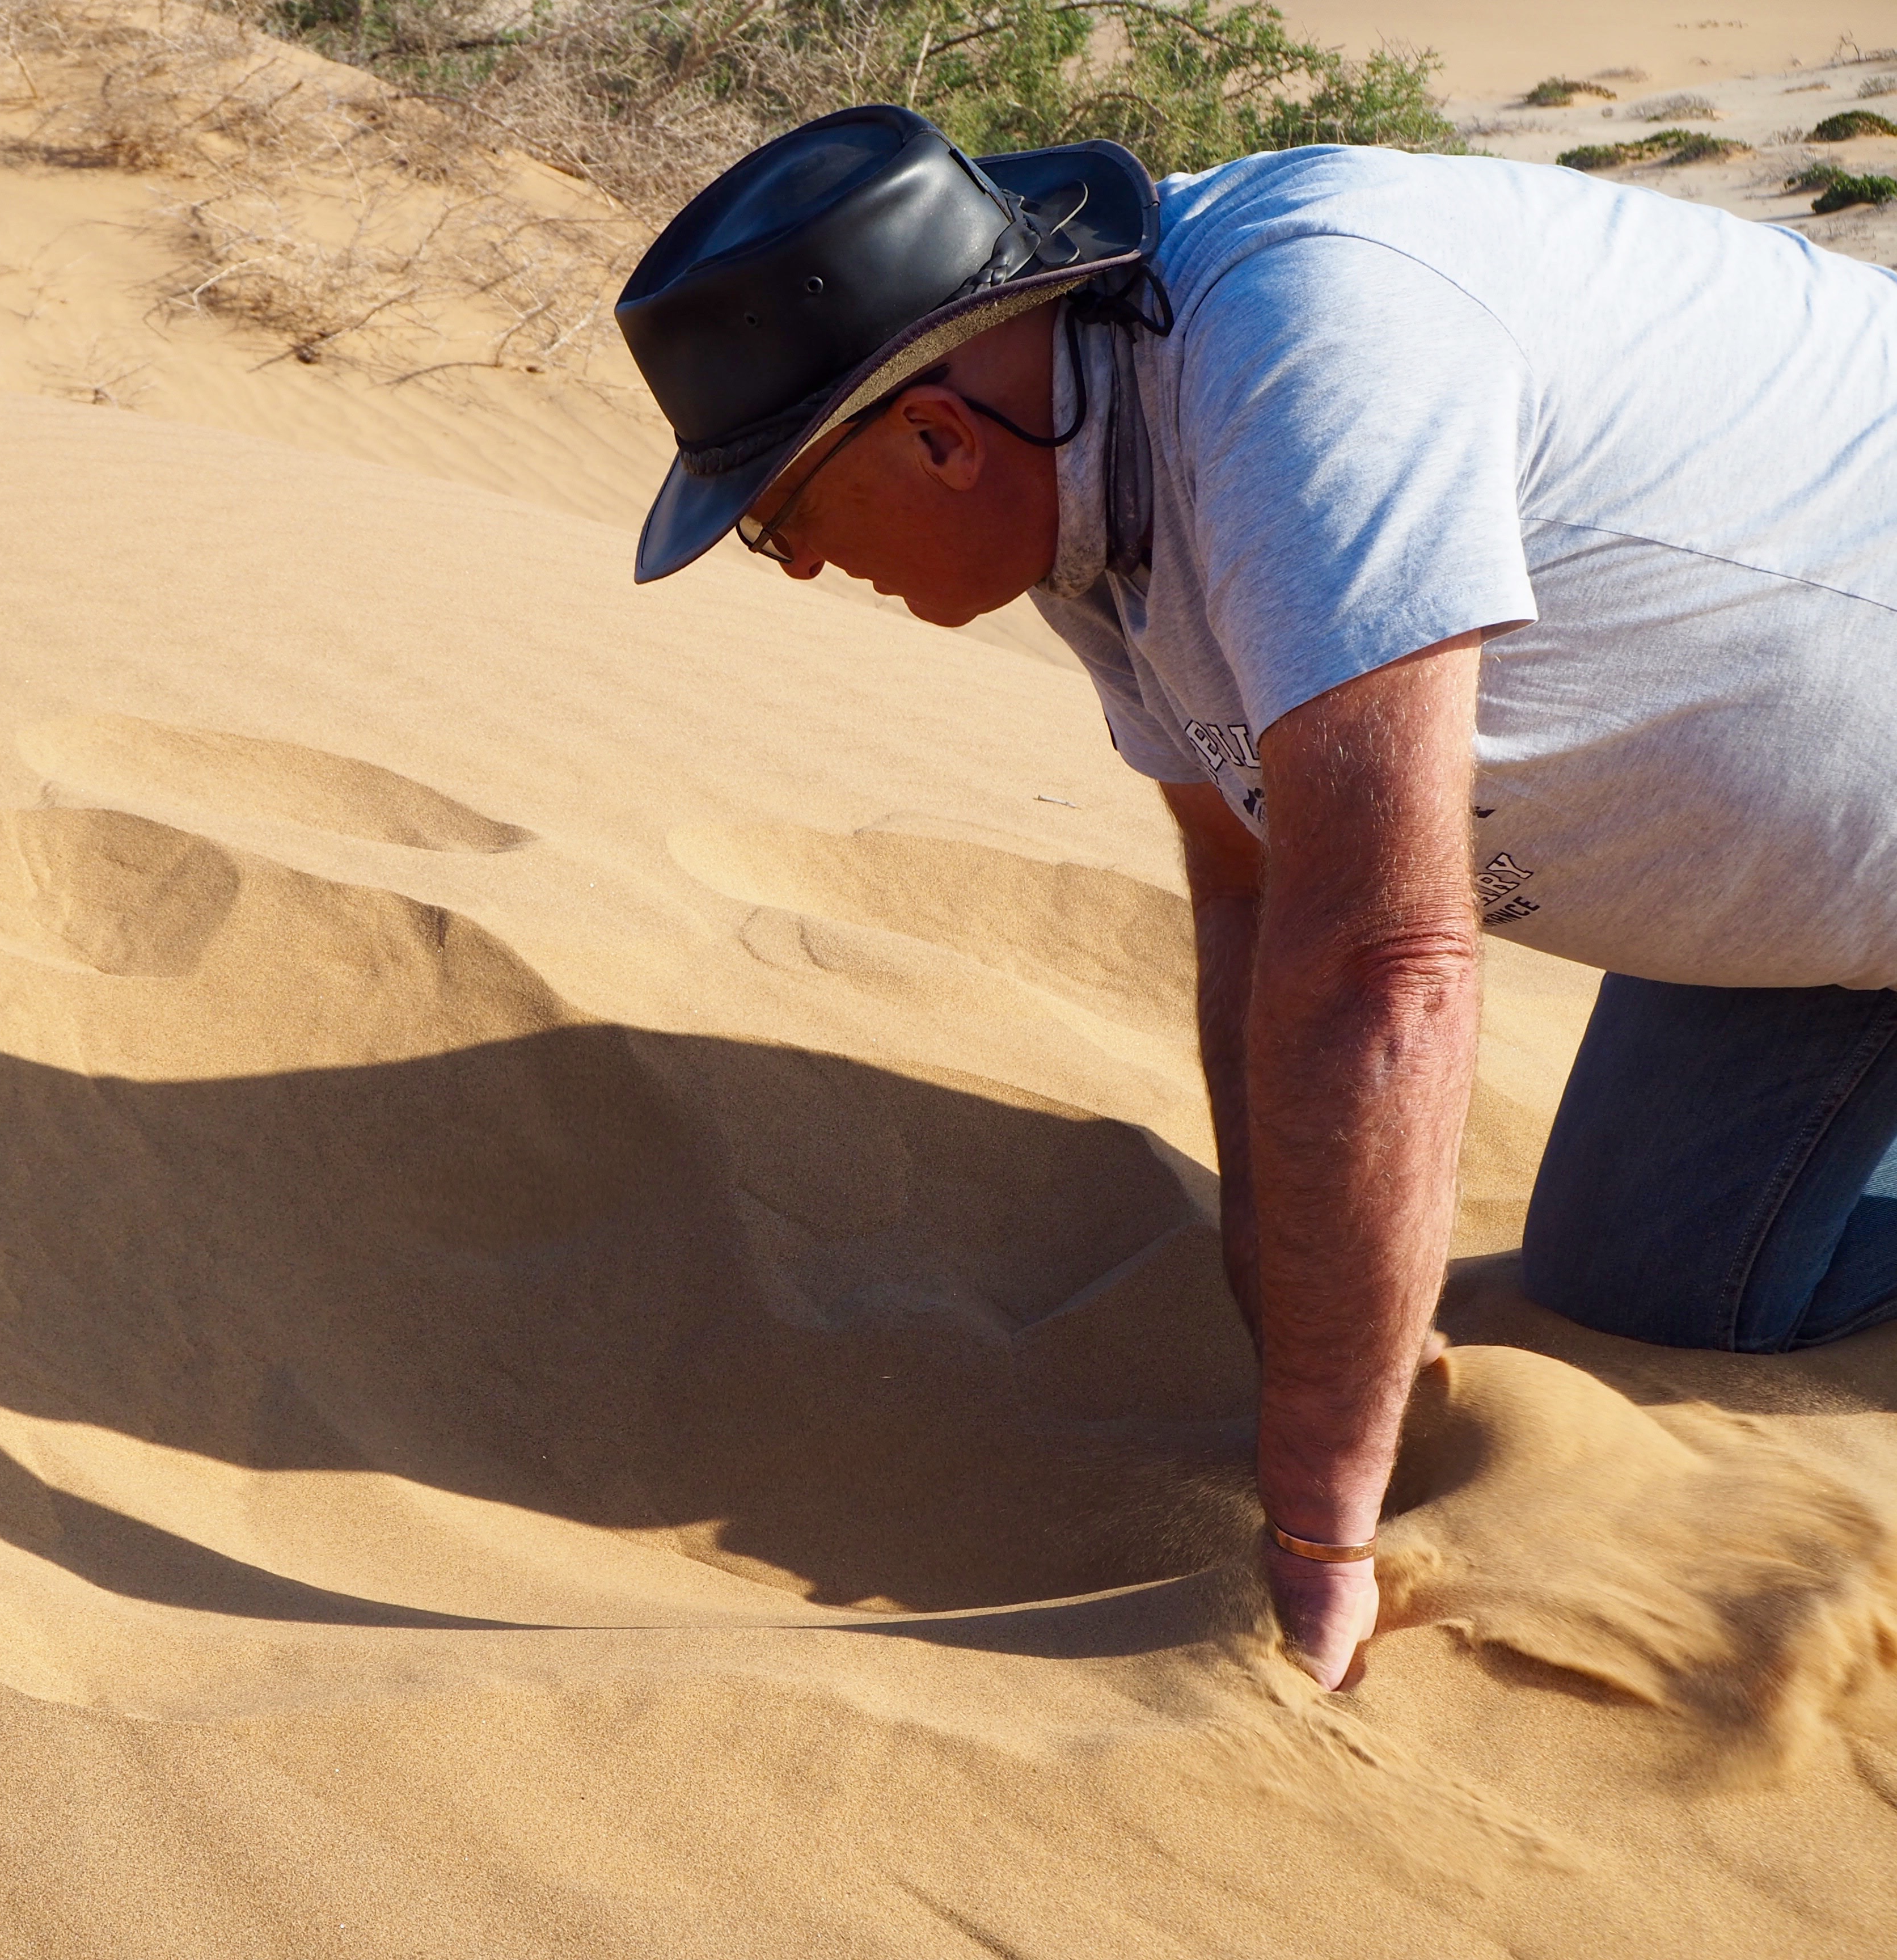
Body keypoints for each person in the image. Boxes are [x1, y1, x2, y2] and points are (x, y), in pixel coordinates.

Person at [612, 105, 1897, 1689]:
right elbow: (1251, 891)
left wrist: (1319, 1526)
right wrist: (1292, 1310)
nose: (793, 565)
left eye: (775, 514)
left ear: (936, 439)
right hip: (1816, 928)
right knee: (1649, 1285)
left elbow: (1385, 965)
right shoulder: (1086, 479)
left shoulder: (1306, 354)